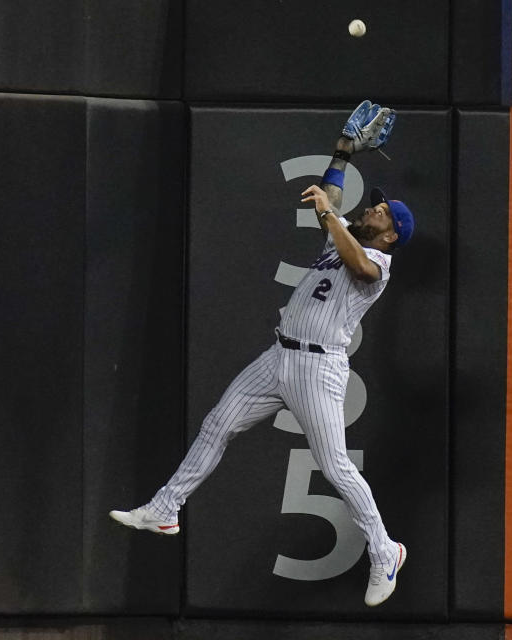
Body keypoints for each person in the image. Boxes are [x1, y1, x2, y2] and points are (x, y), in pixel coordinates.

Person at [109, 100, 415, 607]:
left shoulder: (377, 262)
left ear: (391, 233)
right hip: (279, 358)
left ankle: (385, 551)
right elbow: (335, 205)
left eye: (379, 211)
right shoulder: (339, 241)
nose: (371, 209)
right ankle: (166, 507)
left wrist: (328, 214)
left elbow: (356, 261)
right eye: (373, 205)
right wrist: (341, 154)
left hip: (320, 369)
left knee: (336, 466)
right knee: (217, 424)